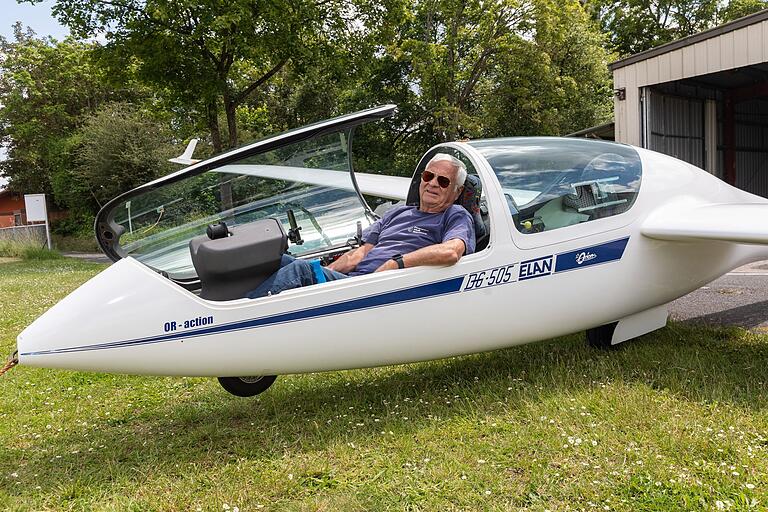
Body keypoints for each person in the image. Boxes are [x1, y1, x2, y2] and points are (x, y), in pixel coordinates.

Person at [247, 153, 476, 298]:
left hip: (382, 288)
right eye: (429, 176)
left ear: (456, 192)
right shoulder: (397, 212)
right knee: (282, 260)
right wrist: (325, 275)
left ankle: (245, 313)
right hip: (356, 283)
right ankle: (226, 302)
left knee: (300, 271)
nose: (433, 184)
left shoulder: (455, 215)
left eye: (443, 181)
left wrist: (395, 264)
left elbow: (451, 251)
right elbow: (360, 254)